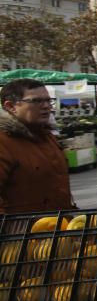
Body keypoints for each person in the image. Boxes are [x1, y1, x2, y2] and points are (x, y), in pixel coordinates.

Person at [0, 80, 72, 213]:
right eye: (36, 101)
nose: (46, 106)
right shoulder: (4, 142)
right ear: (11, 106)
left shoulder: (47, 136)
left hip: (59, 227)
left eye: (48, 101)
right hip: (23, 231)